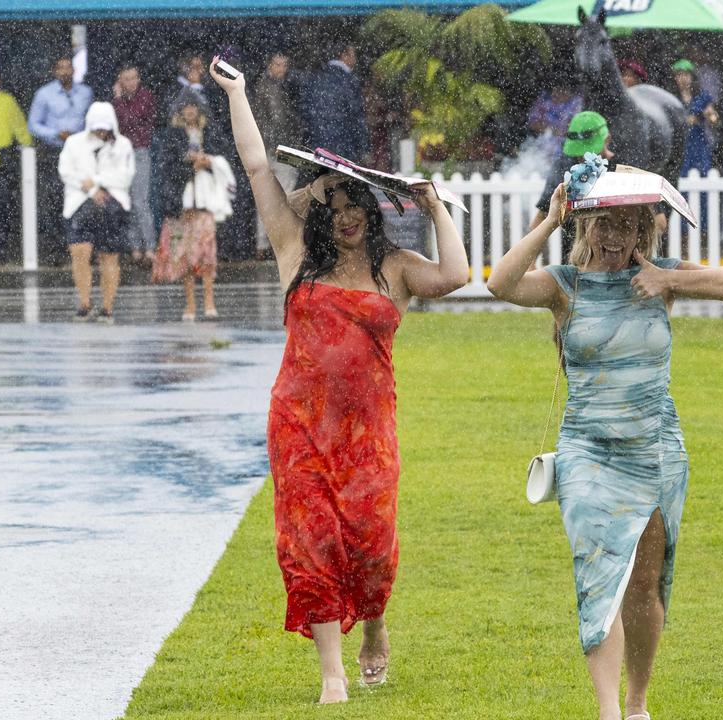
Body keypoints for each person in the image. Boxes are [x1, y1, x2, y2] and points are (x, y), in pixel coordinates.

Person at [209, 55, 468, 704]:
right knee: (313, 543)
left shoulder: (396, 267)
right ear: (322, 210)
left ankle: (375, 629)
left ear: (372, 213)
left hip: (368, 433)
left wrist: (434, 207)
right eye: (337, 203)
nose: (348, 214)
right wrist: (240, 93)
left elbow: (457, 276)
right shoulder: (295, 251)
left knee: (373, 547)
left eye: (358, 204)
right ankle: (333, 673)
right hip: (298, 424)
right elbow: (258, 167)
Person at [487, 158, 723, 720]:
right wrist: (550, 220)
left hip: (656, 446)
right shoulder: (566, 286)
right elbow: (500, 283)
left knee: (645, 585)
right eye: (602, 224)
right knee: (599, 574)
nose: (613, 236)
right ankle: (609, 710)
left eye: (626, 224)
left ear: (644, 229)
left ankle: (637, 702)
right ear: (586, 228)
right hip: (587, 448)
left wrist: (668, 279)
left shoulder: (661, 279)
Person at [529, 111, 667, 259]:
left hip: (624, 263)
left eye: (589, 150)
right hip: (576, 265)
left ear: (607, 139)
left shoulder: (625, 170)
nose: (584, 158)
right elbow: (539, 221)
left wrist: (629, 246)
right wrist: (530, 266)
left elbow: (659, 222)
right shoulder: (564, 170)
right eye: (579, 152)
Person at [152, 90, 231, 321]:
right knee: (184, 256)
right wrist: (189, 166)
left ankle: (209, 301)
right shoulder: (172, 136)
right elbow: (167, 169)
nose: (190, 111)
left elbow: (224, 158)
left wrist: (208, 162)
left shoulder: (211, 133)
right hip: (182, 204)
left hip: (205, 202)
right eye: (185, 107)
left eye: (193, 106)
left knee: (206, 255)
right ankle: (189, 305)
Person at [58, 101, 134, 323]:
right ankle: (85, 302)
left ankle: (107, 307)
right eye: (97, 127)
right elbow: (66, 172)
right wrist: (91, 189)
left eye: (105, 127)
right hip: (79, 203)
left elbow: (125, 176)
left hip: (113, 204)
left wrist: (98, 182)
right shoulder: (73, 144)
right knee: (79, 252)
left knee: (109, 256)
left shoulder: (123, 145)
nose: (101, 131)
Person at [29, 54, 92, 264]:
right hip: (54, 152)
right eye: (60, 68)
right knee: (53, 200)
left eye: (68, 67)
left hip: (80, 153)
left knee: (81, 197)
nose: (65, 71)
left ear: (74, 70)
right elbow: (34, 124)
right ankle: (55, 250)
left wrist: (81, 135)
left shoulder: (85, 93)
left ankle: (80, 246)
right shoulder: (44, 94)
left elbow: (91, 120)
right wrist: (56, 133)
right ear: (55, 71)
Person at [251, 52, 302, 257]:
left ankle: (264, 243)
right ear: (270, 65)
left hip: (270, 149)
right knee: (282, 198)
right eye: (278, 65)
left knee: (268, 199)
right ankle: (273, 242)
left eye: (284, 65)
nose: (282, 69)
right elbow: (275, 122)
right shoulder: (273, 90)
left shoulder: (267, 88)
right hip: (277, 150)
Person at [112, 64, 158, 263]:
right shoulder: (116, 102)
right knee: (128, 202)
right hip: (122, 154)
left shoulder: (146, 96)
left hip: (139, 151)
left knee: (140, 201)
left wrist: (119, 100)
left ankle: (149, 247)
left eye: (133, 78)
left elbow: (130, 119)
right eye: (126, 79)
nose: (130, 83)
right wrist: (118, 100)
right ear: (120, 82)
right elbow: (116, 124)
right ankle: (135, 247)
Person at [300, 43, 369, 167]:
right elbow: (356, 115)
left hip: (317, 144)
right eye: (353, 55)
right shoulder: (349, 81)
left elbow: (305, 111)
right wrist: (363, 147)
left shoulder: (315, 77)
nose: (355, 59)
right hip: (344, 145)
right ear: (344, 56)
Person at [0, 66, 32, 264]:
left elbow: (20, 127)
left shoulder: (7, 101)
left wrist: (28, 147)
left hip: (2, 161)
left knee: (1, 207)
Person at [672, 59, 718, 177]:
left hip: (699, 142)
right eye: (679, 75)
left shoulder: (702, 96)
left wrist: (710, 116)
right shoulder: (671, 98)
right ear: (675, 78)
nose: (683, 79)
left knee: (703, 174)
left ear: (692, 77)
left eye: (686, 75)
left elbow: (713, 117)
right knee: (681, 176)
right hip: (680, 144)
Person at [526, 81, 583, 161]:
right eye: (557, 89)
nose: (560, 93)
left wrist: (563, 131)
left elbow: (574, 128)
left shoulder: (575, 103)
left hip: (563, 151)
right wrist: (551, 129)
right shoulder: (544, 100)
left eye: (564, 90)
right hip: (539, 145)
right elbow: (532, 124)